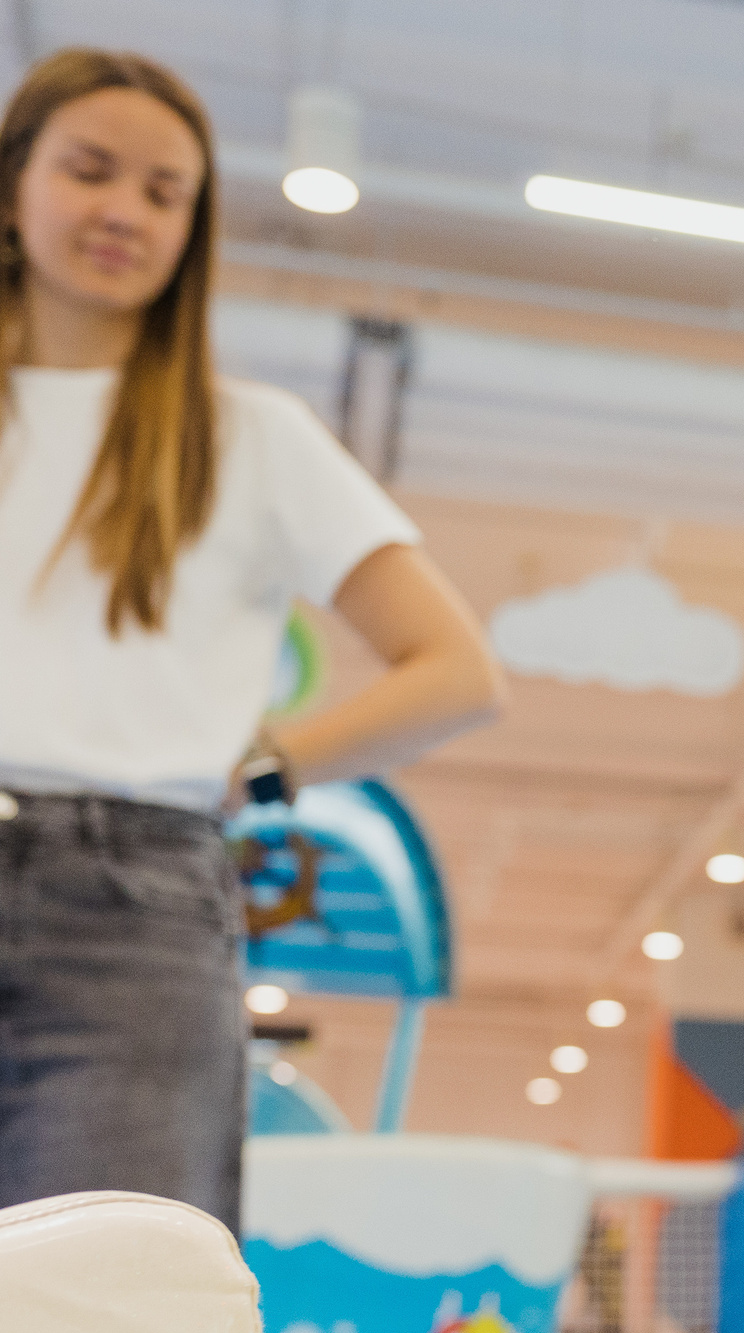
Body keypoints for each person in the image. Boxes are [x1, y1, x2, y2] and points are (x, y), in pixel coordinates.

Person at [0, 51, 502, 1228]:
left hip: (132, 908)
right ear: (16, 183)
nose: (123, 209)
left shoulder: (251, 440)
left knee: (116, 1307)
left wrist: (266, 767)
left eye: (165, 192)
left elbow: (457, 672)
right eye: (90, 170)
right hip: (133, 905)